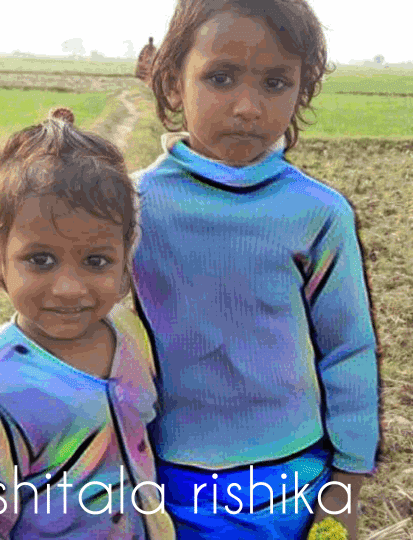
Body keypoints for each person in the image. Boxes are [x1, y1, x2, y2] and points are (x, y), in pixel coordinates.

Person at [131, 1, 380, 539]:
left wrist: (347, 485)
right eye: (220, 78)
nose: (247, 107)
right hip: (164, 481)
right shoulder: (130, 209)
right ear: (173, 84)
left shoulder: (319, 213)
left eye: (275, 83)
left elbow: (348, 349)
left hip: (292, 483)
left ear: (301, 90)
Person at [0, 107, 175, 540]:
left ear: (125, 256)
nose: (68, 288)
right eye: (41, 259)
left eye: (96, 261)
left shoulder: (130, 336)